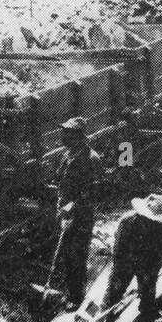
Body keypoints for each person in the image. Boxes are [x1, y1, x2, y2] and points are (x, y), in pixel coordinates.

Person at [94, 193, 162, 322]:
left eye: (149, 219)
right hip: (125, 262)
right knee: (112, 295)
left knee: (147, 302)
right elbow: (117, 250)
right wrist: (121, 272)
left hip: (147, 265)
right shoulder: (127, 221)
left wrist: (148, 277)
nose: (146, 221)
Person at [53, 118, 98, 306]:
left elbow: (95, 192)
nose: (62, 136)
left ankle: (76, 298)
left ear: (78, 136)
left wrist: (73, 206)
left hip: (82, 216)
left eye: (67, 133)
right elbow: (60, 180)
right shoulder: (67, 155)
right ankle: (67, 291)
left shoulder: (91, 159)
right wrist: (60, 203)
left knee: (77, 254)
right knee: (64, 253)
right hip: (65, 212)